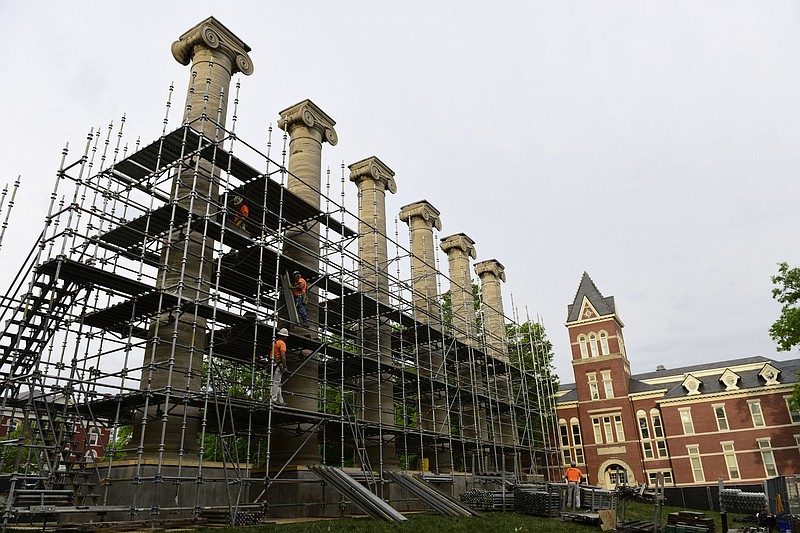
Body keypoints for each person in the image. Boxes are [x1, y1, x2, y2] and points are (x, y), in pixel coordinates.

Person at [269, 328, 289, 406]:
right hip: (277, 365)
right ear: (284, 336)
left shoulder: (274, 343)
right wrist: (285, 366)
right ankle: (273, 399)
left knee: (277, 382)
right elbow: (283, 355)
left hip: (272, 364)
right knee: (276, 382)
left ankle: (280, 400)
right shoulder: (282, 343)